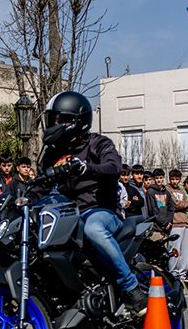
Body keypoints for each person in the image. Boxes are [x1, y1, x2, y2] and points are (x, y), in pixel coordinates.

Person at [40, 91, 147, 313]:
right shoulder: (52, 153)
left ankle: (131, 287)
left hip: (101, 212)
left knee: (93, 228)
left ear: (77, 121)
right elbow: (39, 185)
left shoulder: (98, 143)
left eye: (61, 119)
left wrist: (87, 167)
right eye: (53, 119)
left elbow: (114, 167)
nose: (55, 124)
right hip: (65, 216)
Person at [167, 169, 188, 281]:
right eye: (173, 179)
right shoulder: (168, 189)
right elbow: (175, 204)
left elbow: (184, 206)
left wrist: (185, 204)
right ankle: (173, 272)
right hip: (175, 223)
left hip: (185, 222)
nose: (175, 181)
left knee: (185, 250)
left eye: (177, 179)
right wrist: (187, 202)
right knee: (174, 249)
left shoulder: (181, 190)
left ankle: (182, 273)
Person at [145, 168, 174, 233]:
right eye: (157, 178)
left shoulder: (167, 192)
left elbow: (171, 208)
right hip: (156, 227)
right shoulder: (150, 191)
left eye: (161, 178)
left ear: (163, 178)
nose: (159, 180)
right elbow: (153, 210)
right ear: (153, 179)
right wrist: (164, 222)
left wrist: (169, 221)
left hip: (167, 227)